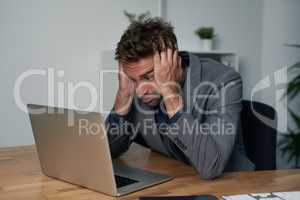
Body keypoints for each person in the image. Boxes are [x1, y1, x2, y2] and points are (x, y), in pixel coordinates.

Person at [105, 17, 254, 179]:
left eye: (149, 77)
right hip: (177, 176)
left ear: (173, 61)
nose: (140, 92)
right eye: (133, 79)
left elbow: (212, 166)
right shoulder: (137, 85)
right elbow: (110, 151)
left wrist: (171, 94)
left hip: (231, 184)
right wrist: (123, 97)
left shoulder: (224, 81)